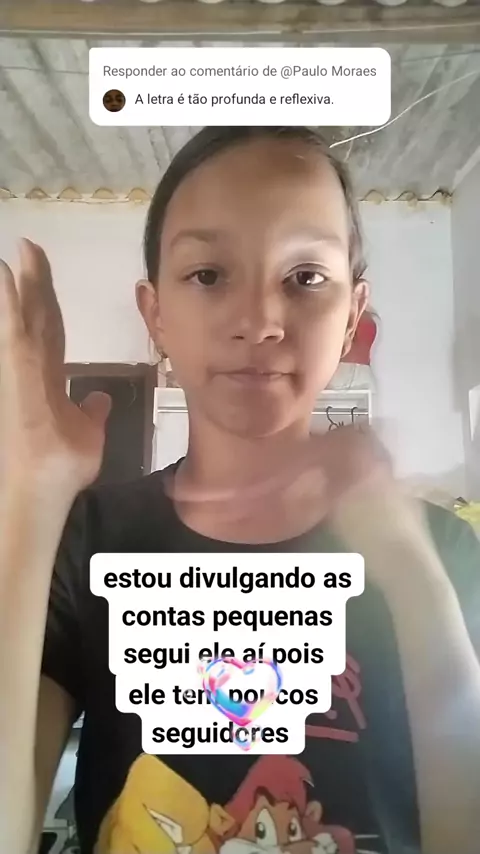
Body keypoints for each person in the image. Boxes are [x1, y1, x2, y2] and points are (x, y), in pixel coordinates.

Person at [0, 126, 479, 854]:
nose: (258, 322)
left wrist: (415, 580)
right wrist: (31, 494)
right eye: (208, 275)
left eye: (305, 277)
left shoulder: (441, 553)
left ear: (353, 314)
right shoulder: (85, 543)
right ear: (156, 314)